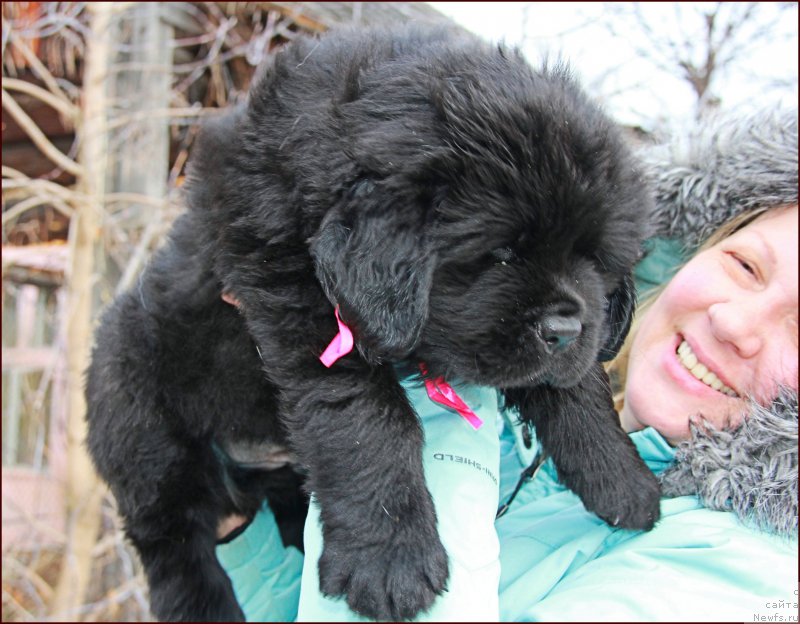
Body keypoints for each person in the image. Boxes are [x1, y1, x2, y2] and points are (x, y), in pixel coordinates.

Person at [215, 107, 798, 621]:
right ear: (690, 251)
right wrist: (235, 522)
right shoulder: (534, 430)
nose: (733, 322)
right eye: (746, 265)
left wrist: (420, 373)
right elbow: (332, 598)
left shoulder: (754, 580)